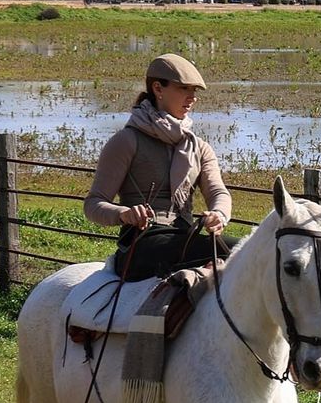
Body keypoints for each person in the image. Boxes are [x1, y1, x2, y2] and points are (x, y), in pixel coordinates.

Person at [85, 53, 235, 282]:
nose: (192, 97)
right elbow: (93, 204)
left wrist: (219, 214)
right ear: (158, 88)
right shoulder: (126, 141)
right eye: (184, 88)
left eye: (194, 91)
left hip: (184, 239)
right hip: (142, 245)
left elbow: (218, 192)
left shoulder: (200, 147)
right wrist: (124, 214)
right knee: (232, 253)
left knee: (244, 250)